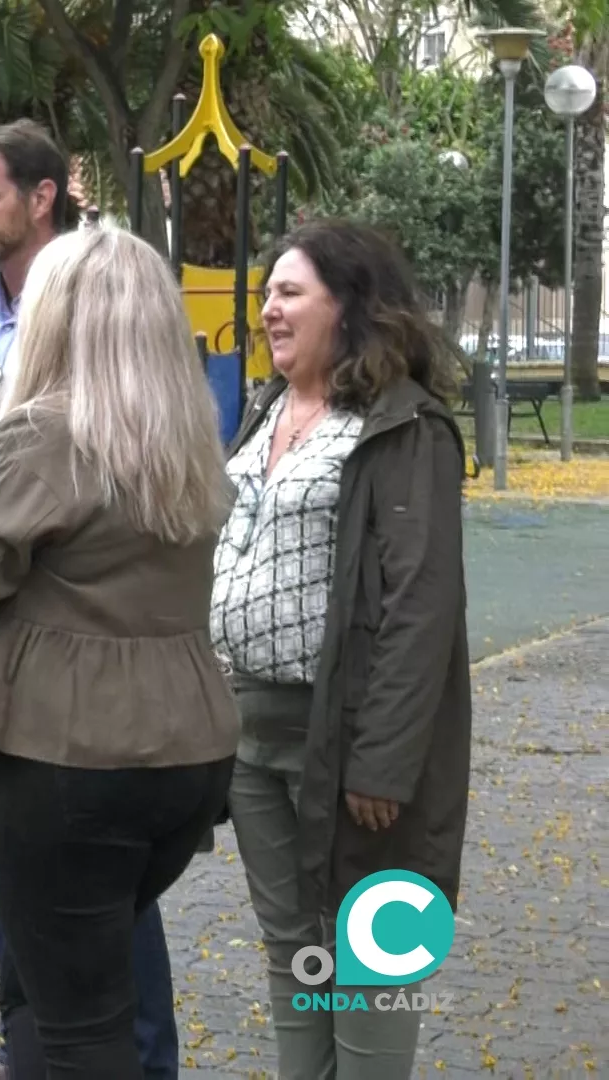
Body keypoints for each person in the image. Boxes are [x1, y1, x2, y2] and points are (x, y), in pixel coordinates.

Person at [0, 225, 238, 1078]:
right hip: (182, 756)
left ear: (52, 322)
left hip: (63, 757)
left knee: (72, 1026)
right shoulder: (183, 435)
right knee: (91, 990)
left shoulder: (45, 433)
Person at [211, 219, 472, 1079]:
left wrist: (384, 763)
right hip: (254, 739)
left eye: (288, 293)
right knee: (296, 955)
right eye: (266, 295)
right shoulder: (266, 409)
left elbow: (420, 606)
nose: (268, 312)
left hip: (355, 743)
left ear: (348, 305)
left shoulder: (404, 426)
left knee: (372, 957)